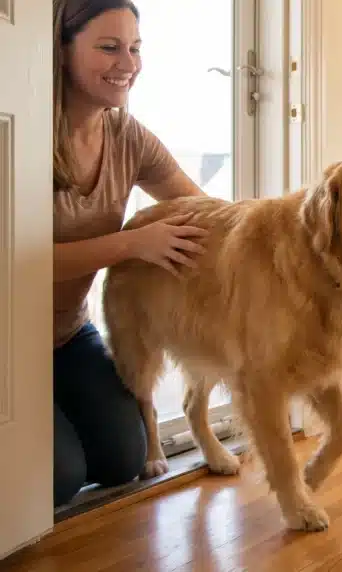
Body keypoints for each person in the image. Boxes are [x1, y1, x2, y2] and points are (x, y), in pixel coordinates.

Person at [52, 0, 210, 507]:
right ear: (62, 48)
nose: (129, 64)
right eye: (109, 47)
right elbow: (14, 262)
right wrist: (132, 243)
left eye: (136, 49)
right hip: (8, 342)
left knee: (124, 459)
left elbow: (200, 207)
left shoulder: (125, 134)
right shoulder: (19, 128)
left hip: (67, 336)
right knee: (57, 477)